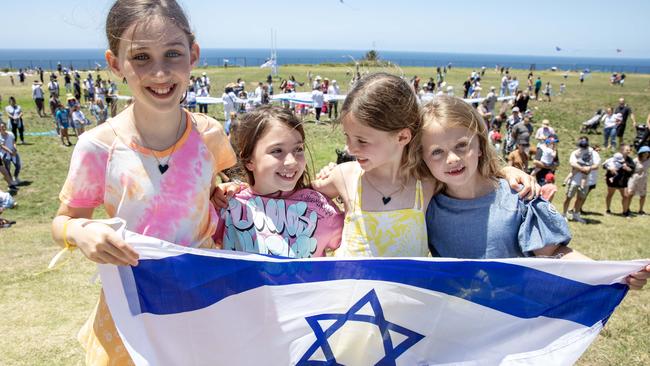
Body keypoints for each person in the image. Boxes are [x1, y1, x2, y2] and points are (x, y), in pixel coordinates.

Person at [51, 1, 237, 364]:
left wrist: (222, 194)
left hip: (202, 301)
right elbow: (62, 221)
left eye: (172, 53)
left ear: (193, 54)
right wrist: (81, 232)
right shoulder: (98, 147)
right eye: (140, 57)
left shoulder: (210, 135)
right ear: (114, 62)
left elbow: (206, 192)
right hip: (132, 311)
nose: (160, 72)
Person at [418, 95, 650, 290]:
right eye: (437, 152)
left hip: (518, 321)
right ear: (423, 158)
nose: (452, 159)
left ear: (480, 144)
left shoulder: (518, 196)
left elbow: (555, 253)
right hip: (460, 325)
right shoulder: (426, 208)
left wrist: (614, 275)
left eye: (461, 145)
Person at [311, 73, 534, 258]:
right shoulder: (344, 176)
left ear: (402, 137)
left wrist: (505, 171)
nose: (350, 148)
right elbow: (293, 197)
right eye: (348, 137)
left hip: (406, 308)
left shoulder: (426, 183)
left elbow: (468, 178)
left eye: (362, 140)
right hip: (351, 304)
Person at [213, 106, 343, 257]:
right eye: (277, 151)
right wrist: (211, 194)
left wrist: (342, 181)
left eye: (298, 149)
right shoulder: (226, 205)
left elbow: (362, 241)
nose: (291, 161)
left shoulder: (320, 207)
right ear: (249, 160)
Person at [561, 137, 596, 223]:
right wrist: (583, 168)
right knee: (568, 197)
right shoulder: (575, 152)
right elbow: (572, 163)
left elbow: (596, 164)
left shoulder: (591, 152)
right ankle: (564, 214)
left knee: (581, 198)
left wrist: (589, 168)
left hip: (586, 180)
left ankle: (576, 214)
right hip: (574, 180)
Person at [604, 145, 635, 216]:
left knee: (625, 196)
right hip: (612, 180)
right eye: (627, 150)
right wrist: (610, 169)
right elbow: (604, 165)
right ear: (621, 151)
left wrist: (627, 168)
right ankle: (608, 210)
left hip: (623, 181)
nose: (628, 151)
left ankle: (625, 212)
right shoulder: (613, 158)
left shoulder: (629, 160)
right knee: (610, 194)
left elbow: (632, 170)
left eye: (629, 150)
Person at [623, 145, 650, 215]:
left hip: (643, 179)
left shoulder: (648, 160)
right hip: (634, 178)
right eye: (645, 152)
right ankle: (627, 208)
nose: (647, 154)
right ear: (641, 153)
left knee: (643, 195)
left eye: (648, 152)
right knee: (630, 194)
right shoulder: (635, 160)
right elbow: (630, 169)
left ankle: (641, 210)